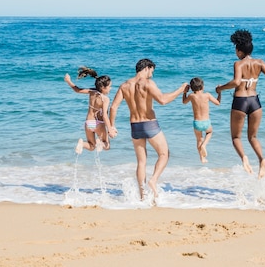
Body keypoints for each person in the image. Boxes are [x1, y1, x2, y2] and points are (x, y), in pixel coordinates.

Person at [109, 58, 187, 200]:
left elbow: (113, 107)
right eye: (152, 70)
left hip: (135, 126)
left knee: (141, 162)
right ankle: (153, 180)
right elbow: (163, 100)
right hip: (149, 124)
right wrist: (180, 90)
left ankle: (142, 195)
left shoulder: (124, 85)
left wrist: (111, 127)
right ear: (146, 68)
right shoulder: (148, 83)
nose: (152, 74)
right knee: (164, 154)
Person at [215, 29, 265, 178]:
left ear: (239, 51)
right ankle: (262, 160)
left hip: (241, 101)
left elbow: (237, 82)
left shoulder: (238, 64)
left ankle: (244, 158)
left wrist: (220, 88)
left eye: (236, 49)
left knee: (236, 138)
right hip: (255, 102)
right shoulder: (260, 63)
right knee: (253, 137)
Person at [64, 67, 113, 154]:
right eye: (109, 86)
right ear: (103, 87)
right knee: (107, 145)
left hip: (88, 123)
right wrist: (110, 129)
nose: (111, 88)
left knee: (91, 146)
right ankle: (100, 143)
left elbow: (77, 90)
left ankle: (82, 144)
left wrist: (68, 81)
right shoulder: (105, 99)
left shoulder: (92, 92)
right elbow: (105, 115)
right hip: (99, 124)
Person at [182, 77, 222, 163]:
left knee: (199, 139)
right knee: (209, 132)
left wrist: (185, 92)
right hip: (206, 122)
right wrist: (219, 93)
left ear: (192, 88)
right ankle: (204, 145)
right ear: (202, 87)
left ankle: (202, 158)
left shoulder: (191, 96)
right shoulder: (207, 95)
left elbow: (184, 102)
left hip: (197, 123)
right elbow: (218, 103)